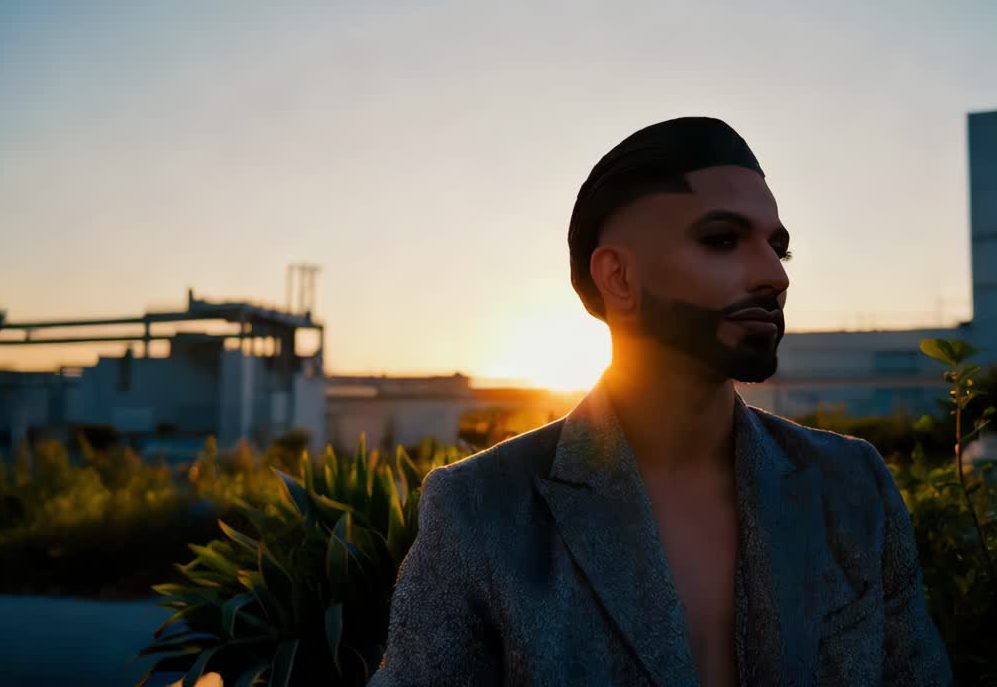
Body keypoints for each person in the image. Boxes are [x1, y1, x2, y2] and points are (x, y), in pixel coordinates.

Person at [369, 117, 951, 686]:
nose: (775, 275)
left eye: (779, 248)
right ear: (618, 277)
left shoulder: (851, 486)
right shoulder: (481, 508)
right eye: (722, 240)